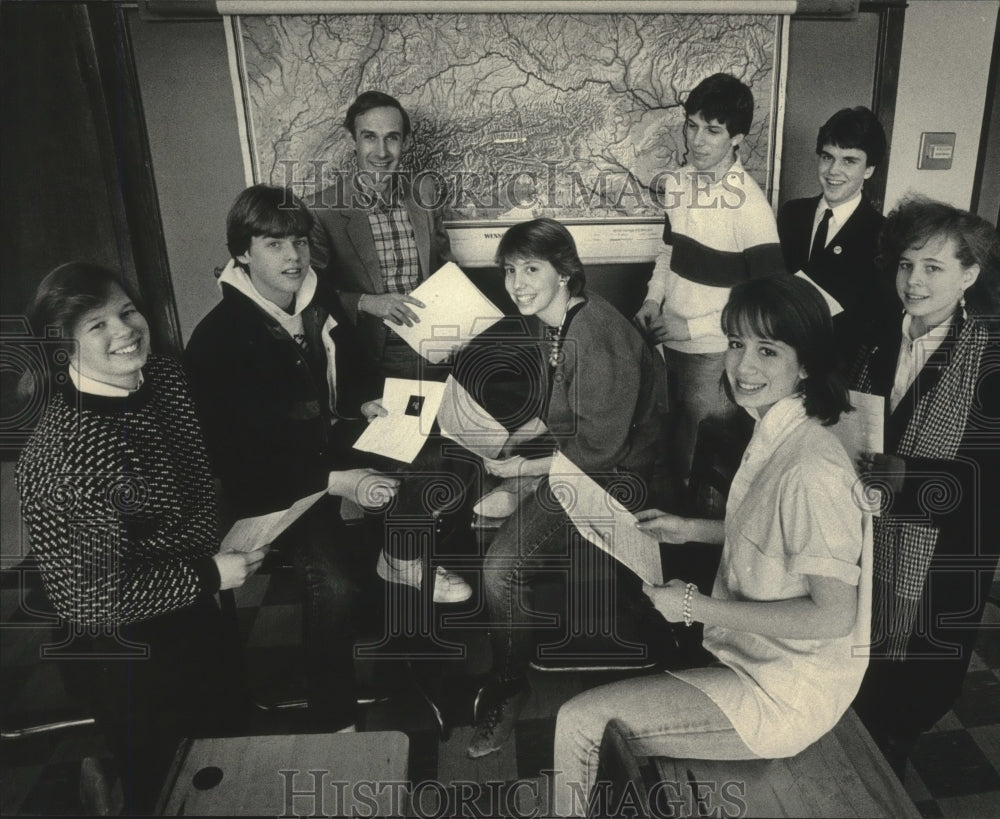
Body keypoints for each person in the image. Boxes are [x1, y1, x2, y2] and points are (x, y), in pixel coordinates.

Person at [552, 276, 870, 817]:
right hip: (753, 658)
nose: (743, 367)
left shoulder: (811, 467)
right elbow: (771, 528)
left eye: (767, 350)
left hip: (784, 691)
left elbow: (833, 615)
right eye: (736, 344)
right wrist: (689, 528)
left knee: (580, 722)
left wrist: (694, 607)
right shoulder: (778, 428)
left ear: (807, 364)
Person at [15, 262, 265, 814]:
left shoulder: (167, 379)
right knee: (169, 782)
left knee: (227, 746)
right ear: (62, 351)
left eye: (127, 311)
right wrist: (210, 573)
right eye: (96, 325)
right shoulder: (63, 456)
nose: (125, 330)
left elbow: (200, 475)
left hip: (195, 604)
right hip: (123, 645)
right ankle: (117, 784)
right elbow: (90, 599)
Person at [467, 218, 661, 759]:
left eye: (532, 269)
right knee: (485, 503)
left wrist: (522, 472)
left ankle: (509, 688)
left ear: (566, 272)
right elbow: (561, 414)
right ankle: (510, 655)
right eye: (510, 269)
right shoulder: (561, 321)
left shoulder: (593, 332)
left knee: (500, 569)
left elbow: (597, 452)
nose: (517, 282)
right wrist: (509, 442)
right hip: (584, 467)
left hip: (611, 484)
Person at [851, 197, 1000, 776]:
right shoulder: (877, 335)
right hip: (870, 535)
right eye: (906, 265)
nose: (913, 282)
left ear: (969, 274)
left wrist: (911, 477)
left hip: (944, 559)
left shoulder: (989, 356)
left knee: (909, 689)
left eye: (933, 268)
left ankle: (889, 764)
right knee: (860, 665)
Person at [634, 73, 785, 509]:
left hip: (714, 355)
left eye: (713, 130)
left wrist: (694, 323)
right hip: (667, 346)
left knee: (705, 473)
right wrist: (651, 300)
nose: (698, 140)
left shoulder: (751, 206)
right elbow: (668, 254)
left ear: (737, 137)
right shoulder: (678, 184)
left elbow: (765, 301)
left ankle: (696, 564)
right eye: (692, 126)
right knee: (670, 457)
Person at [309, 90, 454, 379]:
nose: (382, 152)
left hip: (435, 341)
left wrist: (453, 322)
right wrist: (365, 302)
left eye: (392, 137)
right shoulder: (322, 210)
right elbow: (313, 292)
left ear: (405, 142)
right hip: (371, 351)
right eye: (369, 137)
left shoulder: (424, 193)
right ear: (353, 141)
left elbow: (443, 264)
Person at [778, 106, 894, 366]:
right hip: (784, 359)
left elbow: (879, 320)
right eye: (827, 157)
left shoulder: (884, 233)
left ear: (869, 169)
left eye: (849, 161)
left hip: (841, 368)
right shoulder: (792, 214)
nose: (833, 171)